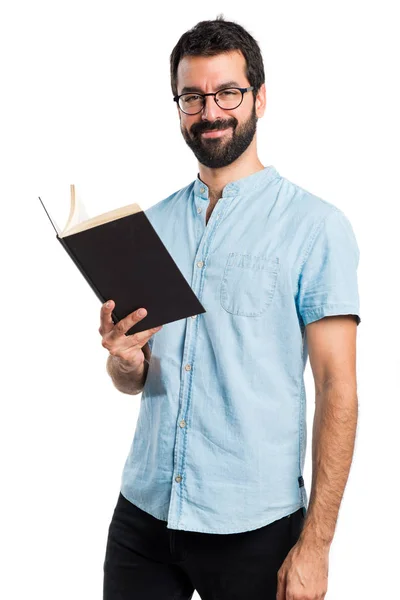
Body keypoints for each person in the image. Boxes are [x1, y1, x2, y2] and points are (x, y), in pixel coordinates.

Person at [100, 15, 361, 600]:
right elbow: (134, 379)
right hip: (145, 512)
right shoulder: (151, 227)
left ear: (260, 98)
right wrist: (124, 359)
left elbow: (337, 390)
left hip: (254, 528)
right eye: (193, 97)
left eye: (228, 93)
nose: (211, 111)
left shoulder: (316, 227)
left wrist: (316, 545)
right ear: (179, 107)